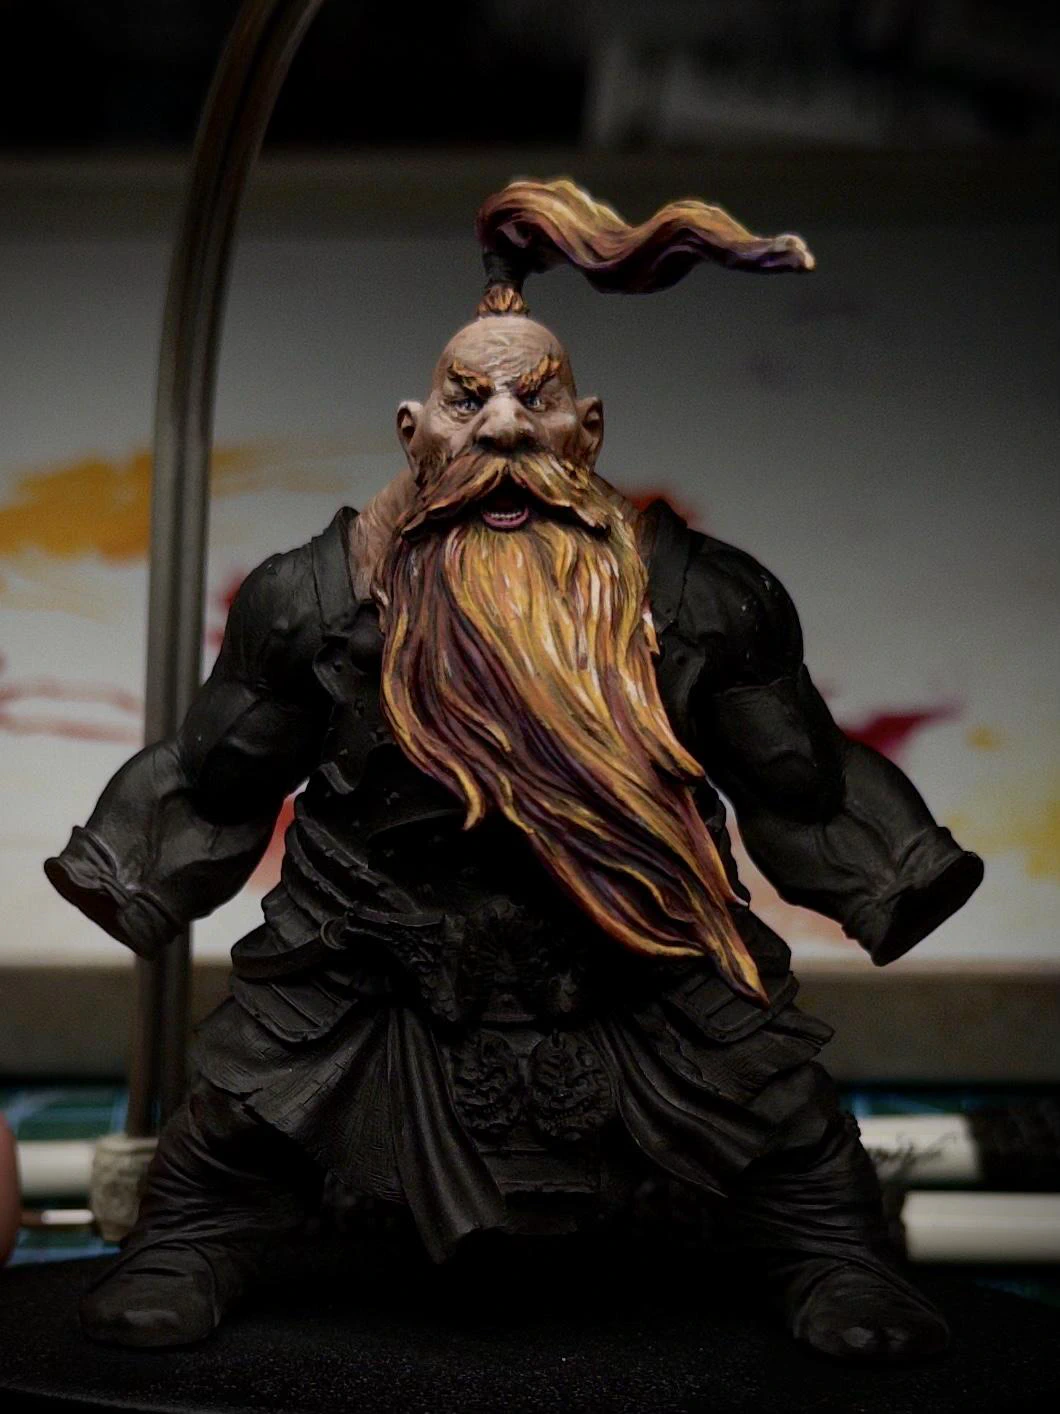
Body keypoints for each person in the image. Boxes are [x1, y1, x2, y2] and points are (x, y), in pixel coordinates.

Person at [46, 179, 982, 1357]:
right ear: (414, 430)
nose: (500, 430)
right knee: (231, 1127)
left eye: (534, 401)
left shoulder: (698, 598)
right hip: (375, 960)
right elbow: (216, 773)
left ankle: (833, 1254)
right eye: (467, 399)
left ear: (586, 430)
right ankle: (189, 1240)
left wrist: (891, 875)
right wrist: (129, 872)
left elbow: (801, 779)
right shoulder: (317, 598)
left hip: (632, 960)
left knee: (787, 1125)